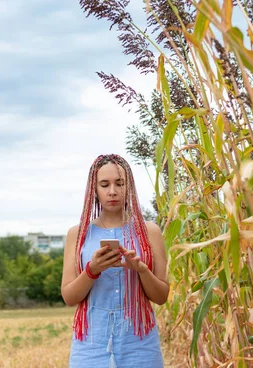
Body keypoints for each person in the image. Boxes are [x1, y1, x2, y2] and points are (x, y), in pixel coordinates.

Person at [62, 154, 169, 368]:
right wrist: (92, 270)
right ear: (94, 189)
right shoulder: (78, 234)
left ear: (129, 187)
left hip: (140, 343)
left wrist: (141, 270)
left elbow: (161, 296)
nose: (113, 191)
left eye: (120, 183)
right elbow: (69, 297)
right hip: (90, 343)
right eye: (105, 184)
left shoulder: (150, 232)